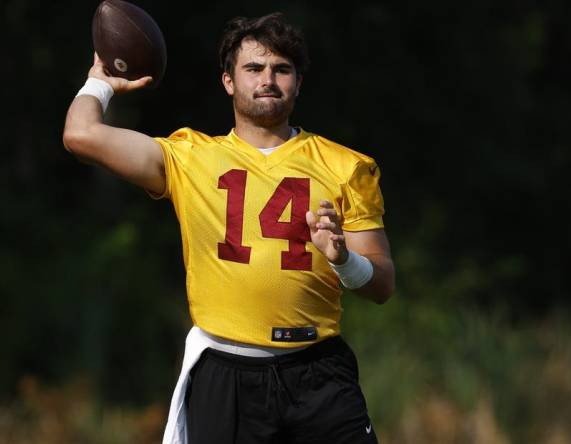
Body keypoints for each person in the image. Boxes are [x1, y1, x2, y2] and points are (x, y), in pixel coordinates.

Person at [63, 12, 394, 444]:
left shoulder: (346, 166)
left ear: (298, 82)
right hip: (226, 372)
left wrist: (345, 262)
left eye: (282, 69)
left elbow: (382, 283)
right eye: (254, 68)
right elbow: (80, 134)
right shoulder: (190, 157)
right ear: (228, 81)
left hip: (317, 370)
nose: (268, 79)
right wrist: (101, 81)